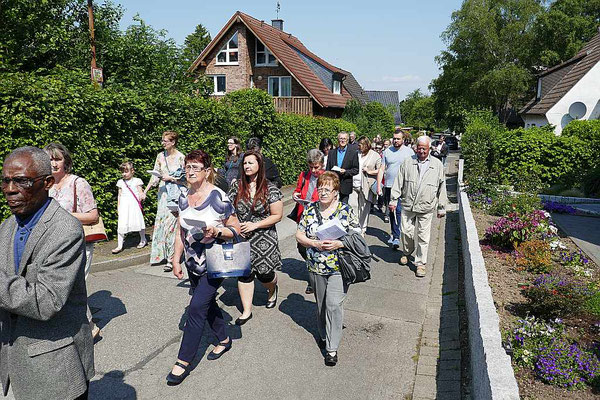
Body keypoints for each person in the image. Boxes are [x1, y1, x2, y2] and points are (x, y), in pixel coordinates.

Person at [0, 146, 95, 400]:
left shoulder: (66, 230)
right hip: (19, 362)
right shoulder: (7, 226)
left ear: (47, 183)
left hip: (57, 371)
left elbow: (46, 301)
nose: (10, 189)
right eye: (6, 180)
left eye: (22, 181)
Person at [166, 150, 241, 385]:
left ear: (207, 171)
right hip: (192, 262)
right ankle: (223, 339)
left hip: (214, 261)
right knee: (207, 305)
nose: (190, 172)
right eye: (187, 167)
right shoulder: (183, 196)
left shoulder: (219, 197)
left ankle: (182, 361)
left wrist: (217, 231)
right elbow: (181, 230)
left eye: (195, 168)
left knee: (196, 307)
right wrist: (176, 258)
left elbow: (236, 230)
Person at [295, 171, 359, 366]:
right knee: (322, 306)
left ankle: (332, 348)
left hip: (339, 266)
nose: (322, 192)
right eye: (320, 188)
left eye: (327, 189)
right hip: (315, 266)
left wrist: (339, 244)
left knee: (333, 305)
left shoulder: (345, 210)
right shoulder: (310, 209)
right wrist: (314, 244)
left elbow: (357, 236)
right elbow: (299, 235)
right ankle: (323, 334)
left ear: (335, 192)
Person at [44, 142, 101, 340]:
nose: (53, 163)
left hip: (78, 243)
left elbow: (93, 215)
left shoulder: (78, 183)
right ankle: (85, 327)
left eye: (57, 159)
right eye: (50, 159)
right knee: (65, 286)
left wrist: (65, 215)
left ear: (65, 162)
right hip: (53, 244)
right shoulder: (46, 185)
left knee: (72, 286)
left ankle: (87, 328)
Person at [228, 150, 283, 325]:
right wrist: (235, 226)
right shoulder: (237, 186)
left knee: (265, 275)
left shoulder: (270, 188)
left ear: (259, 165)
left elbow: (277, 215)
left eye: (251, 163)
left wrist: (255, 225)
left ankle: (272, 289)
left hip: (264, 236)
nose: (247, 166)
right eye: (245, 163)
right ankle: (246, 310)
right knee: (244, 274)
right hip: (243, 236)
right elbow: (227, 208)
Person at [390, 135, 447, 278]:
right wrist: (393, 199)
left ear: (429, 149)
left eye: (424, 148)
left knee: (423, 236)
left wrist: (441, 207)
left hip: (426, 206)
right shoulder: (408, 162)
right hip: (408, 204)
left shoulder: (437, 164)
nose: (421, 151)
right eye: (419, 148)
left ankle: (420, 263)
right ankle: (407, 252)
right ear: (416, 148)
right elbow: (399, 181)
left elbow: (442, 187)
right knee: (406, 232)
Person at [143, 131, 186, 272]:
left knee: (171, 226)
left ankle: (172, 259)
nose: (163, 143)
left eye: (165, 141)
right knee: (161, 225)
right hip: (162, 195)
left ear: (173, 142)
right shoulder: (160, 156)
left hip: (174, 195)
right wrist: (145, 191)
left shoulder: (181, 157)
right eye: (162, 140)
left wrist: (171, 178)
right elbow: (155, 176)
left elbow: (186, 179)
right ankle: (162, 255)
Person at [292, 149, 325, 294]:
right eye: (311, 167)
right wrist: (295, 195)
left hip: (320, 217)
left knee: (317, 247)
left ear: (322, 165)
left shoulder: (328, 177)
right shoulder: (304, 175)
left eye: (316, 167)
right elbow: (298, 190)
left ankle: (314, 280)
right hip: (304, 216)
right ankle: (313, 269)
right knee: (302, 247)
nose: (313, 170)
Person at [377, 128, 415, 248]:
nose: (396, 141)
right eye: (394, 138)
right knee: (393, 211)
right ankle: (395, 235)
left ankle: (401, 234)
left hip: (405, 187)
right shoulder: (387, 152)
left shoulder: (409, 152)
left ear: (403, 140)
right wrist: (379, 186)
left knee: (401, 211)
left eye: (398, 139)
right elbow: (382, 169)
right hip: (389, 186)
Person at [112, 161, 146, 254]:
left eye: (126, 171)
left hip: (134, 205)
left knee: (138, 221)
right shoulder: (120, 182)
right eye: (122, 171)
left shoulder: (137, 180)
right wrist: (118, 207)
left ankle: (143, 239)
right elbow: (119, 195)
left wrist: (142, 195)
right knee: (122, 224)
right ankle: (119, 245)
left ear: (132, 171)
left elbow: (140, 192)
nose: (124, 174)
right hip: (124, 205)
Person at [352, 137, 382, 236]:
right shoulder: (356, 153)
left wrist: (370, 171)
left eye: (360, 145)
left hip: (366, 185)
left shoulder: (375, 155)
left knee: (364, 208)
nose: (358, 146)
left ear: (365, 145)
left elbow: (381, 170)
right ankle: (354, 227)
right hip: (353, 184)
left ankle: (362, 228)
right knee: (353, 206)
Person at [325, 132, 359, 204]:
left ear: (347, 140)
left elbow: (356, 170)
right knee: (331, 205)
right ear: (338, 140)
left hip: (345, 184)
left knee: (343, 208)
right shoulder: (331, 153)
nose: (342, 140)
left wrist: (346, 172)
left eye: (344, 139)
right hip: (333, 184)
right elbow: (327, 169)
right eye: (341, 138)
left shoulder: (353, 153)